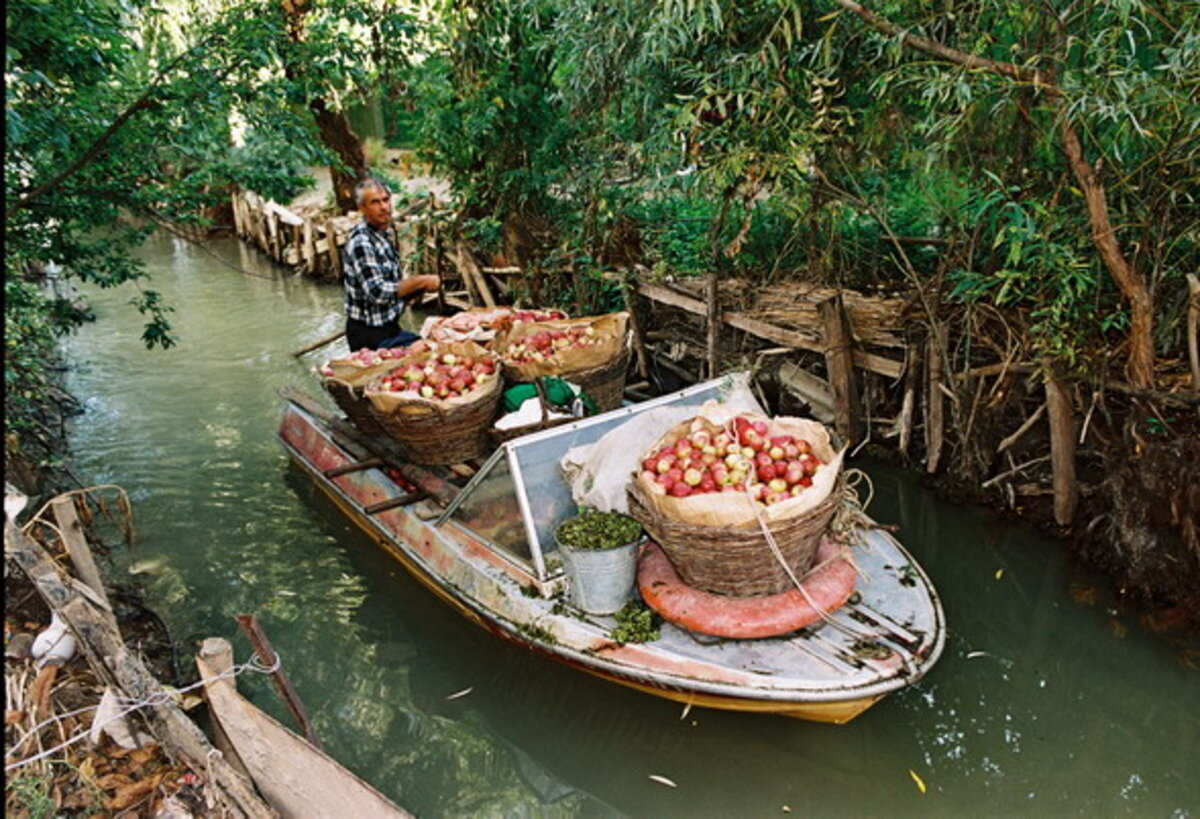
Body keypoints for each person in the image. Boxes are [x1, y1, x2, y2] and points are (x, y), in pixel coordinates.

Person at [342, 177, 441, 351]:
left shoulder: (383, 234)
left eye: (386, 200)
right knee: (427, 351)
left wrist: (417, 290)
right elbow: (378, 293)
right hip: (369, 336)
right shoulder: (362, 242)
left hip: (388, 328)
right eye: (375, 202)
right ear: (362, 208)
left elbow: (392, 288)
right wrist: (421, 281)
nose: (384, 207)